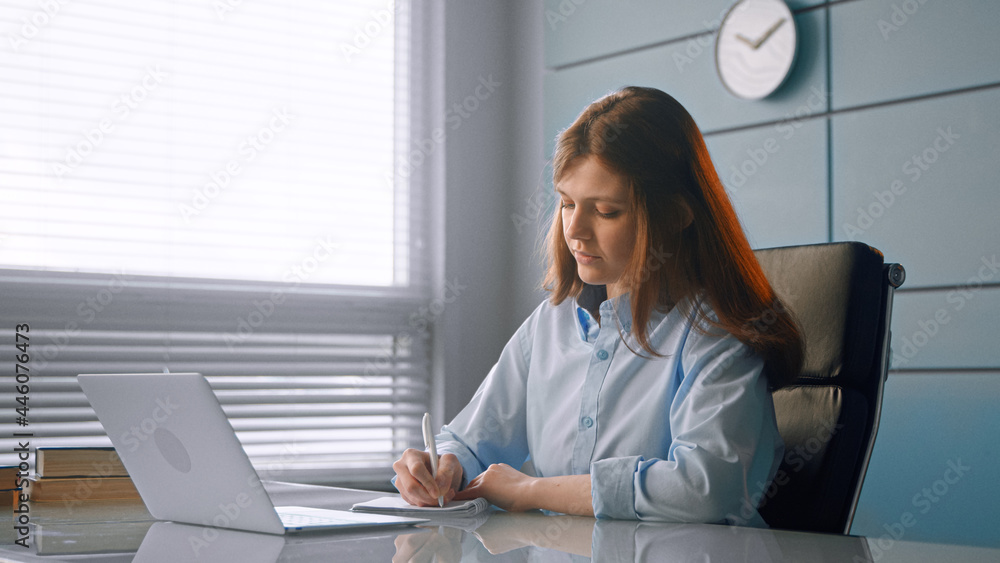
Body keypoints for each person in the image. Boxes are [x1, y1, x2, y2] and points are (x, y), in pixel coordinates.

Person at [392, 86, 803, 526]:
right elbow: (472, 441)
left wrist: (532, 490)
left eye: (606, 211)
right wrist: (445, 465)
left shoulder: (715, 336)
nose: (576, 231)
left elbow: (703, 489)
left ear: (677, 215)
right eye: (567, 204)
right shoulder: (550, 324)